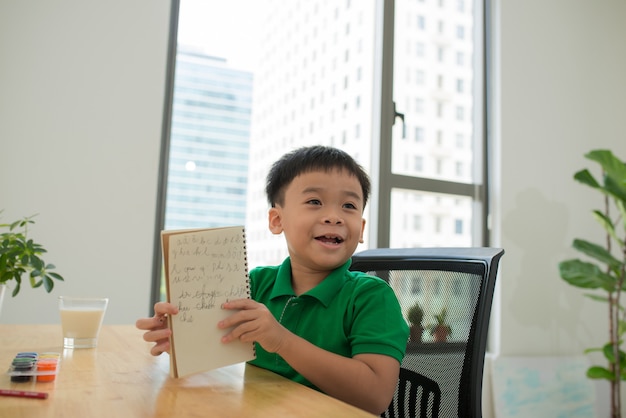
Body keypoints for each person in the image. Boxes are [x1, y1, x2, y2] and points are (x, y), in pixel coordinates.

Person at [136, 145, 409, 414]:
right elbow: (216, 353)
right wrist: (184, 339)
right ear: (277, 220)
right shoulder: (254, 284)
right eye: (315, 201)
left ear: (360, 228)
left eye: (349, 205)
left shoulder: (372, 297)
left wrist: (280, 340)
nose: (333, 217)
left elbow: (375, 397)